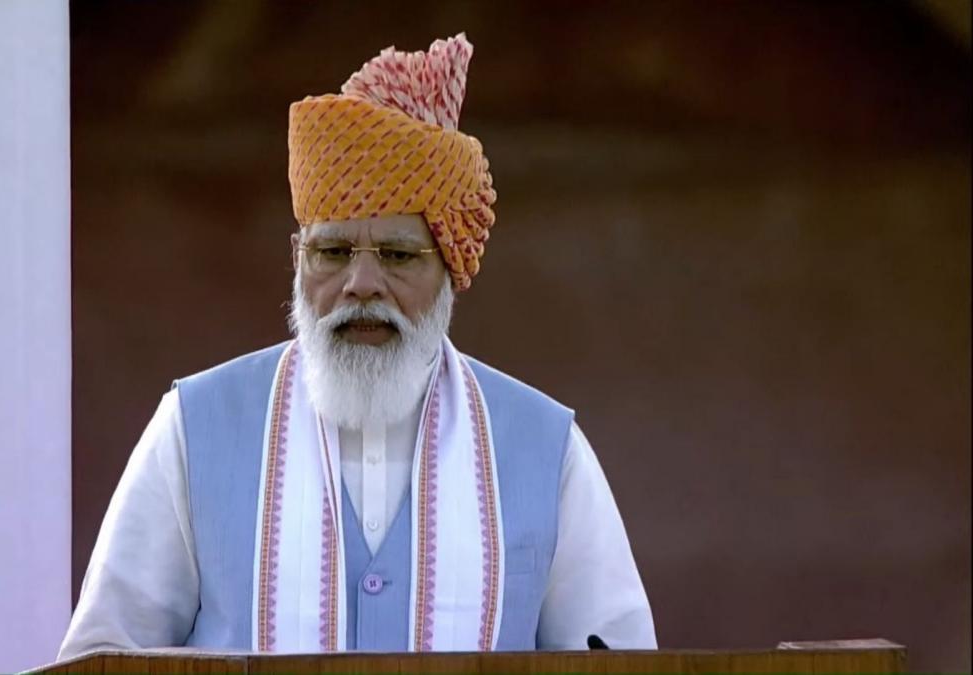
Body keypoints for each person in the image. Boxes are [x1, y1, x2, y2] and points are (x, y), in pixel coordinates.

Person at [59, 34, 655, 657]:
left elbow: (620, 661)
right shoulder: (194, 427)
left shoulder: (545, 448)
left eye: (398, 255)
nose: (362, 284)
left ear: (449, 270)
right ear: (298, 260)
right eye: (334, 252)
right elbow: (103, 659)